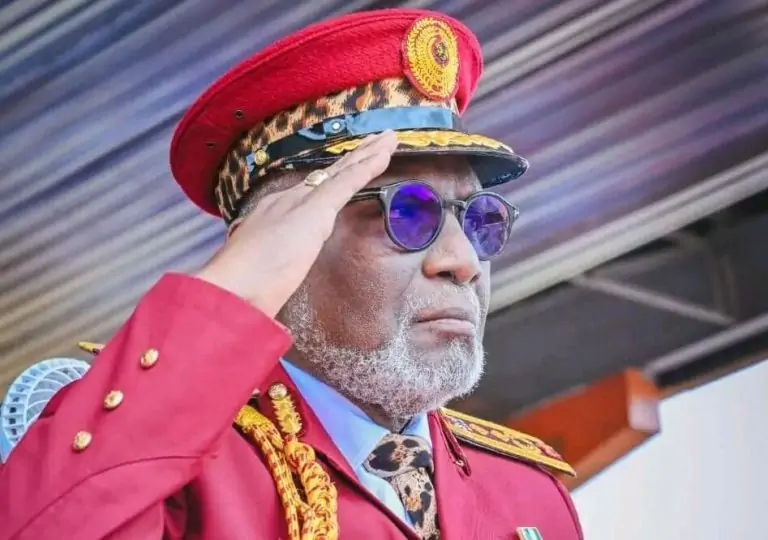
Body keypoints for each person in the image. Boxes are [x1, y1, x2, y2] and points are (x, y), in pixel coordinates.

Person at [0, 8, 583, 540]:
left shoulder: (529, 492)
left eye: (480, 219)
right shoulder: (170, 469)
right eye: (407, 214)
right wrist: (232, 291)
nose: (463, 261)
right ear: (272, 246)